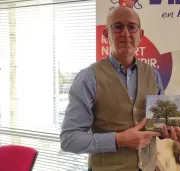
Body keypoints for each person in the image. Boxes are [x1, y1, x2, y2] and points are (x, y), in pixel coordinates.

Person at [60, 6, 168, 171]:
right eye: (118, 27)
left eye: (132, 27)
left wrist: (174, 131)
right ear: (106, 34)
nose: (125, 33)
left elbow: (160, 124)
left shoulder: (154, 75)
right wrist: (118, 140)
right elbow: (69, 139)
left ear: (141, 35)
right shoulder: (88, 78)